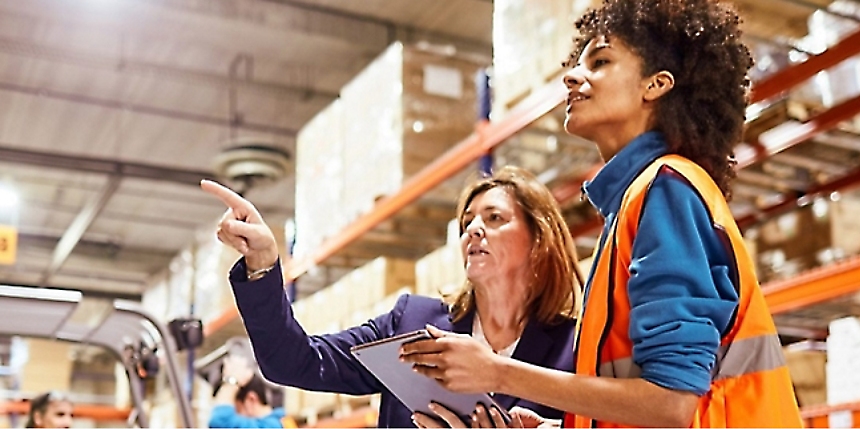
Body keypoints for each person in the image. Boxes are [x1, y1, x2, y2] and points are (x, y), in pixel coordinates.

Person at [400, 0, 803, 427]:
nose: (573, 76)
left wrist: (498, 372)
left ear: (656, 84)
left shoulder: (665, 191)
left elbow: (671, 405)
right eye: (577, 63)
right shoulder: (636, 204)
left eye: (601, 61)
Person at [200, 165, 583, 428]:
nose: (474, 230)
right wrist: (264, 265)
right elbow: (295, 361)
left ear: (539, 240)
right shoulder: (414, 324)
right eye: (467, 222)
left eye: (494, 218)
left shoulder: (574, 349)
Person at [208, 355, 292, 428]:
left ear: (251, 399)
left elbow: (221, 423)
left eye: (233, 408)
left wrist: (232, 382)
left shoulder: (272, 426)